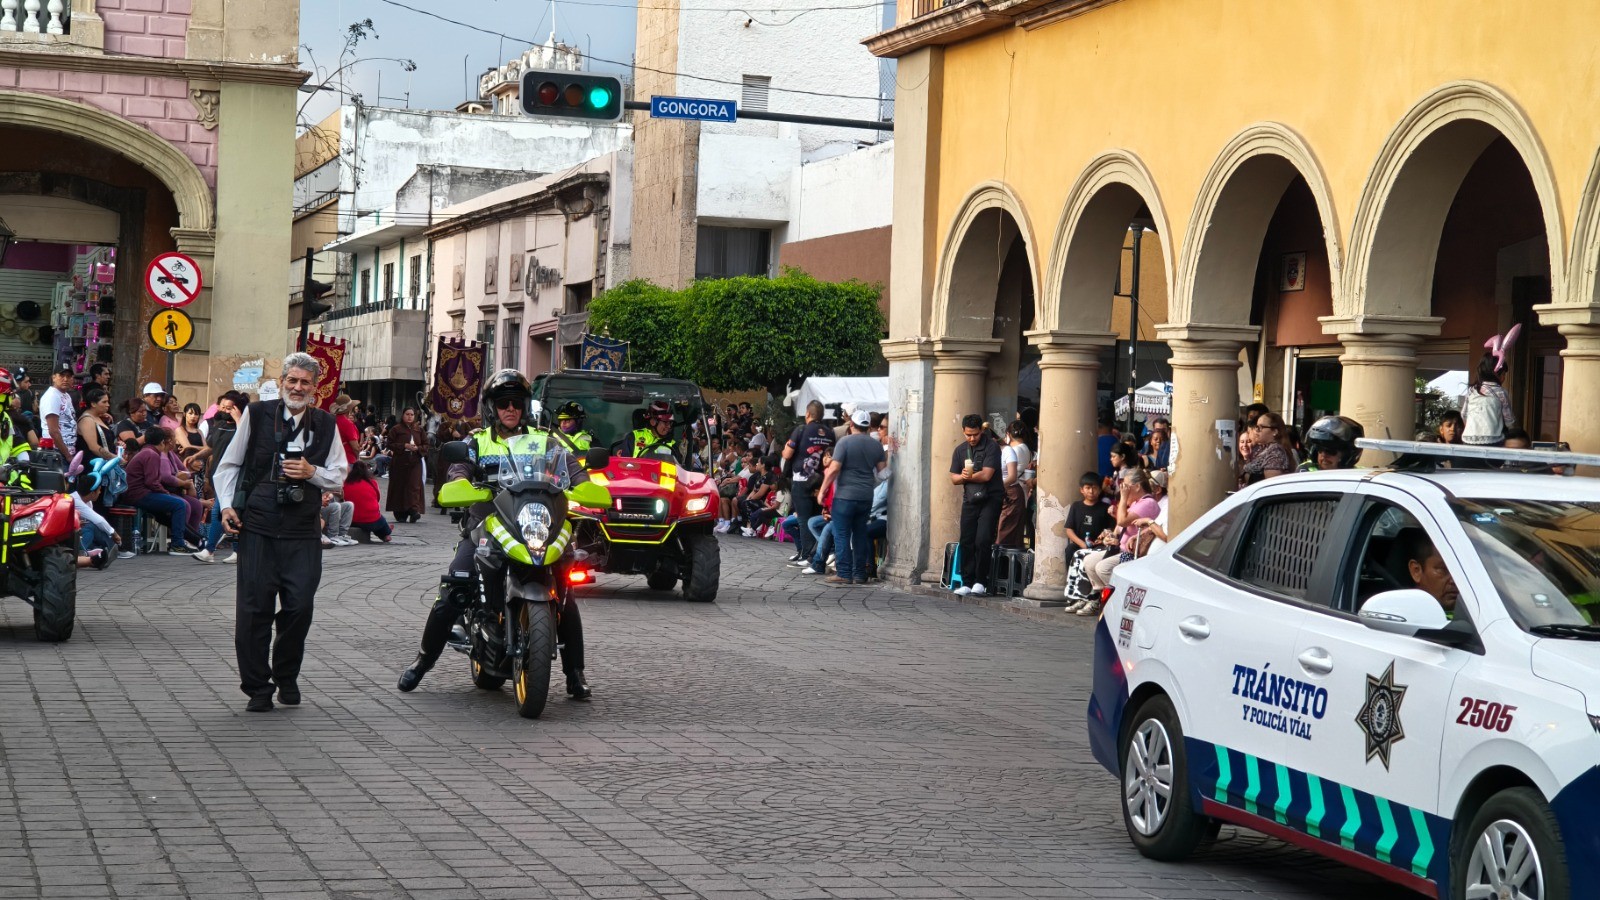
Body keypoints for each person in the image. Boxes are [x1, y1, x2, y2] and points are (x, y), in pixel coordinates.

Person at [397, 369, 591, 700]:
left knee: (567, 593)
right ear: (492, 407)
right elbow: (459, 468)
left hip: (535, 523)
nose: (511, 409)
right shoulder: (477, 441)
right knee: (454, 590)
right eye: (504, 403)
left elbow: (574, 470)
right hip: (486, 524)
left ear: (525, 405)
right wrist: (458, 484)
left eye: (517, 402)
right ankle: (422, 662)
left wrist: (587, 487)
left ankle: (575, 674)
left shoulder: (547, 442)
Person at [213, 352, 349, 713]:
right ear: (283, 381)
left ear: (314, 388)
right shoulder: (257, 415)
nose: (297, 387)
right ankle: (258, 687)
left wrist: (311, 473)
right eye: (292, 380)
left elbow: (339, 473)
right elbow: (229, 465)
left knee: (300, 606)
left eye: (305, 382)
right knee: (254, 609)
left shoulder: (325, 423)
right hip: (257, 525)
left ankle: (286, 674)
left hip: (303, 529)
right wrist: (227, 505)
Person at [818, 409, 886, 586]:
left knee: (841, 533)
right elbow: (884, 473)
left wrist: (822, 490)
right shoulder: (876, 446)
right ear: (868, 426)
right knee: (860, 534)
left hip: (845, 496)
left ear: (852, 425)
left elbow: (833, 469)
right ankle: (859, 574)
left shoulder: (844, 442)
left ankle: (844, 573)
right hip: (866, 497)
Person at [1079, 469, 1160, 616]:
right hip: (1120, 547)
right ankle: (1099, 598)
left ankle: (1119, 598)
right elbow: (1120, 527)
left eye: (1126, 486)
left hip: (1133, 552)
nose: (1123, 489)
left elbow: (1122, 521)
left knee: (1103, 568)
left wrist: (1123, 498)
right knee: (1089, 562)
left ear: (1136, 487)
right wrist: (1111, 536)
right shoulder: (1136, 502)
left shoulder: (1148, 503)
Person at [950, 413, 1003, 597]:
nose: (972, 438)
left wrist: (967, 476)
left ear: (982, 431)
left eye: (975, 434)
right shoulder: (959, 450)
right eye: (968, 435)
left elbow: (987, 475)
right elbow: (953, 478)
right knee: (966, 540)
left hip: (991, 498)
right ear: (963, 432)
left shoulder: (992, 447)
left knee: (983, 539)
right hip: (971, 499)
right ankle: (967, 581)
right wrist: (962, 477)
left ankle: (981, 580)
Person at [123, 426, 200, 554]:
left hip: (139, 493)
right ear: (163, 442)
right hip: (140, 494)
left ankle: (196, 540)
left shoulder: (147, 451)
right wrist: (166, 493)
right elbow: (152, 482)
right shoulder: (152, 454)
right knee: (179, 504)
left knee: (169, 510)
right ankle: (177, 544)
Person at [783, 400, 835, 567]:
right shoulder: (829, 432)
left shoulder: (801, 430)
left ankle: (807, 555)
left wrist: (786, 449)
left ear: (807, 414)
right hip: (821, 481)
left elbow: (787, 454)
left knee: (804, 519)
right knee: (816, 517)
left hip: (802, 480)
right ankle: (816, 552)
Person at [194, 393, 244, 564]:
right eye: (221, 406)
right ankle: (235, 551)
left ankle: (210, 550)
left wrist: (239, 420)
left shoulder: (243, 426)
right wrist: (196, 457)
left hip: (236, 477)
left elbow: (245, 441)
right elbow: (211, 448)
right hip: (219, 476)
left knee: (219, 510)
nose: (223, 410)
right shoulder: (219, 424)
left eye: (228, 407)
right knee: (223, 511)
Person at [1063, 472, 1116, 612]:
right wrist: (1081, 544)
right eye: (1087, 488)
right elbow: (1069, 530)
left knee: (1090, 558)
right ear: (1082, 490)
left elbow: (1111, 529)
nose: (1091, 491)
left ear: (1100, 489)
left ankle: (1091, 598)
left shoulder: (1104, 509)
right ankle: (1076, 596)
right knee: (1070, 551)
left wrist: (1104, 537)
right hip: (1081, 544)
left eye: (1095, 488)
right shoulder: (1076, 506)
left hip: (1099, 546)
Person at [1462, 353, 1515, 446]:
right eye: (1504, 374)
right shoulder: (1501, 392)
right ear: (1500, 374)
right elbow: (1509, 420)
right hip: (1492, 440)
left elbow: (1464, 414)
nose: (1504, 378)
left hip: (1468, 439)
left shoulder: (1472, 390)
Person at [385, 407, 426, 523]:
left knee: (414, 485)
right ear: (403, 415)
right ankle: (400, 511)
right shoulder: (396, 429)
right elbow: (389, 444)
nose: (410, 417)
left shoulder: (419, 430)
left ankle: (413, 510)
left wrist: (418, 448)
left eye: (412, 415)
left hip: (415, 461)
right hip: (400, 462)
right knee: (400, 486)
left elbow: (426, 445)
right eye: (407, 414)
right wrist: (404, 446)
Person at [1403, 529, 1459, 614]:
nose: (1454, 580)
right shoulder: (1405, 617)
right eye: (1443, 569)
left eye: (1460, 572)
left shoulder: (1479, 616)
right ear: (1416, 571)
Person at [997, 420, 1032, 548]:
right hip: (1020, 490)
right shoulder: (1025, 448)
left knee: (1006, 530)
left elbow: (1011, 475)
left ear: (1009, 434)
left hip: (1011, 491)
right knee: (1015, 532)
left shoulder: (1013, 451)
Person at [1240, 411, 1294, 485]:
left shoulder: (1276, 451)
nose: (1256, 431)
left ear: (1275, 431)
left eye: (1261, 427)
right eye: (1256, 427)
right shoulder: (1262, 449)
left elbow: (1272, 486)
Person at [344, 461, 391, 543]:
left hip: (352, 520)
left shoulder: (345, 483)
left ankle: (385, 532)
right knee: (381, 520)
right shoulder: (372, 482)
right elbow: (378, 498)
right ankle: (385, 534)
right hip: (372, 521)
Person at [1297, 415, 1364, 472]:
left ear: (1345, 455)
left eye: (1330, 451)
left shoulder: (1357, 475)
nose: (1324, 455)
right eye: (1319, 449)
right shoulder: (1305, 471)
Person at [39, 365, 77, 453]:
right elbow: (53, 431)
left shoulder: (66, 395)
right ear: (54, 378)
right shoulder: (52, 396)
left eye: (68, 376)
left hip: (66, 450)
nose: (65, 379)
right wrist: (67, 456)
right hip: (56, 452)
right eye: (62, 375)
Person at [75, 387, 116, 463]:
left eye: (108, 402)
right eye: (104, 402)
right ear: (93, 404)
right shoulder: (87, 420)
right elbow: (93, 447)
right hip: (94, 466)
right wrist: (116, 459)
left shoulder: (98, 417)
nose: (108, 405)